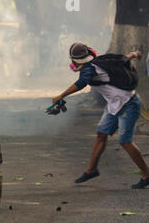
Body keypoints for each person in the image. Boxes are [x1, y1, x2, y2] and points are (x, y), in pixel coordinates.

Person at [52, 42, 149, 189]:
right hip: (114, 105)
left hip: (128, 104)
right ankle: (91, 170)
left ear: (73, 60)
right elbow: (123, 58)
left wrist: (61, 95)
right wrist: (134, 54)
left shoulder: (88, 70)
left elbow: (81, 83)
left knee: (125, 141)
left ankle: (147, 174)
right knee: (101, 134)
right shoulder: (100, 61)